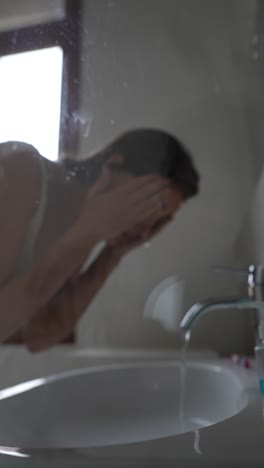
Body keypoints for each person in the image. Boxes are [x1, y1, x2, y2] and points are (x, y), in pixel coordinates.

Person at [0, 128, 199, 351]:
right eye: (149, 202)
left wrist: (112, 254)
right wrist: (86, 233)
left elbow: (41, 335)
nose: (145, 233)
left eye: (158, 222)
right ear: (111, 165)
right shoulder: (21, 170)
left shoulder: (80, 220)